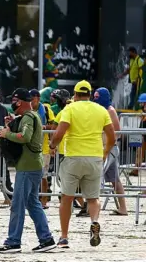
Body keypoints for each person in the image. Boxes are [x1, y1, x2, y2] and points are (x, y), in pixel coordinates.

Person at [49, 80, 116, 248]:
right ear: (90, 94)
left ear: (76, 94)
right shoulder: (101, 110)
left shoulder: (70, 108)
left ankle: (64, 237)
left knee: (67, 198)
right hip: (94, 157)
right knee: (93, 198)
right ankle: (94, 221)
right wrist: (105, 152)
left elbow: (60, 132)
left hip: (73, 158)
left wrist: (52, 146)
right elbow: (112, 136)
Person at [0, 88, 56, 253]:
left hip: (28, 168)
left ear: (19, 101)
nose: (12, 104)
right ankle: (46, 239)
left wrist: (6, 134)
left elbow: (25, 137)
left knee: (17, 204)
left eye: (13, 101)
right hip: (32, 166)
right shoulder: (30, 116)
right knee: (32, 203)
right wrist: (10, 125)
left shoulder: (28, 117)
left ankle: (13, 241)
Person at [93, 87, 128, 215]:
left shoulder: (110, 110)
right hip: (105, 148)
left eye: (97, 97)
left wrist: (107, 147)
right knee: (115, 180)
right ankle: (123, 208)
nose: (95, 99)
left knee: (97, 175)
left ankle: (92, 207)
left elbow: (117, 132)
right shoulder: (100, 110)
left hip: (110, 149)